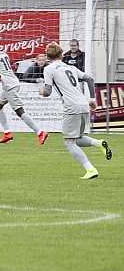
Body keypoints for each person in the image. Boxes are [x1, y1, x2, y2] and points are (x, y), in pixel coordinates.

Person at [40, 41, 112, 179]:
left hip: (71, 107)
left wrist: (41, 91)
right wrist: (92, 99)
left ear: (48, 58)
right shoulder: (70, 67)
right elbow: (89, 79)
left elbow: (47, 92)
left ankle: (90, 169)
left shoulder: (49, 69)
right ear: (61, 55)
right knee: (77, 139)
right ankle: (98, 143)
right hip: (83, 104)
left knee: (69, 143)